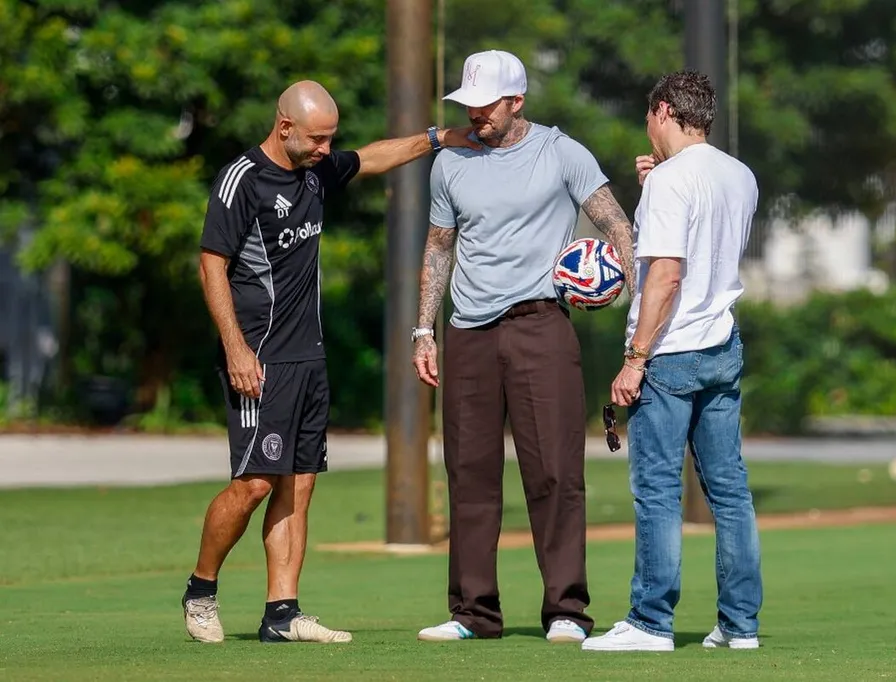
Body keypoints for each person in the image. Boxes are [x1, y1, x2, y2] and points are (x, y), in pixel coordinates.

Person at [182, 80, 479, 645]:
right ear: (284, 125)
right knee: (253, 485)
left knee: (298, 484)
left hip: (308, 360)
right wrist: (236, 349)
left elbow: (371, 158)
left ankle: (282, 613)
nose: (326, 149)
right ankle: (200, 591)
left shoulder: (315, 168)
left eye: (330, 140)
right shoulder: (242, 180)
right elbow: (211, 265)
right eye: (317, 139)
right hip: (258, 359)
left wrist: (439, 138)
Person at [411, 49, 637, 644]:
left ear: (517, 102)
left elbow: (616, 224)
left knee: (556, 473)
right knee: (470, 474)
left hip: (542, 326)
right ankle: (473, 614)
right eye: (468, 105)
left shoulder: (563, 152)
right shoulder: (451, 162)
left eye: (485, 106)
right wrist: (423, 330)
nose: (475, 115)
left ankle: (567, 610)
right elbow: (438, 248)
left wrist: (636, 308)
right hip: (468, 333)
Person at [581, 69, 764, 652]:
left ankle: (650, 622)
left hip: (669, 351)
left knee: (657, 490)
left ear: (662, 111)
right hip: (721, 345)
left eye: (646, 117)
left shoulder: (670, 182)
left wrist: (635, 359)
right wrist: (655, 184)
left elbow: (665, 272)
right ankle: (740, 626)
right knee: (730, 492)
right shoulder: (739, 175)